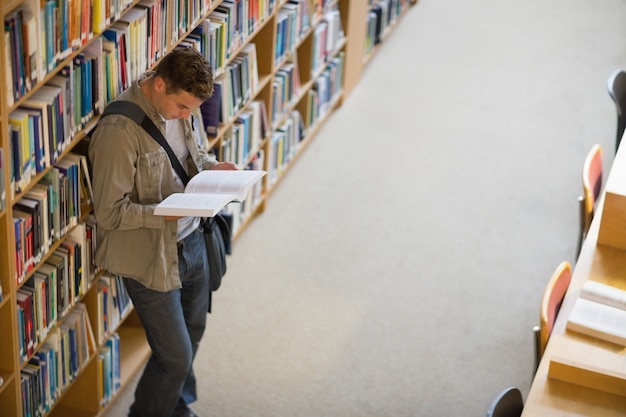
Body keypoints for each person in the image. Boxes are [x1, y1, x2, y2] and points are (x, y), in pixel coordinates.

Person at [89, 47, 237, 417]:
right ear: (159, 85)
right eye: (184, 108)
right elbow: (109, 213)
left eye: (193, 109)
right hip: (152, 256)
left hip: (193, 239)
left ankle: (175, 406)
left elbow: (189, 155)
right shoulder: (118, 132)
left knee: (195, 329)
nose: (188, 115)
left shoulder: (179, 107)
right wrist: (165, 214)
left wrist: (212, 166)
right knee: (174, 356)